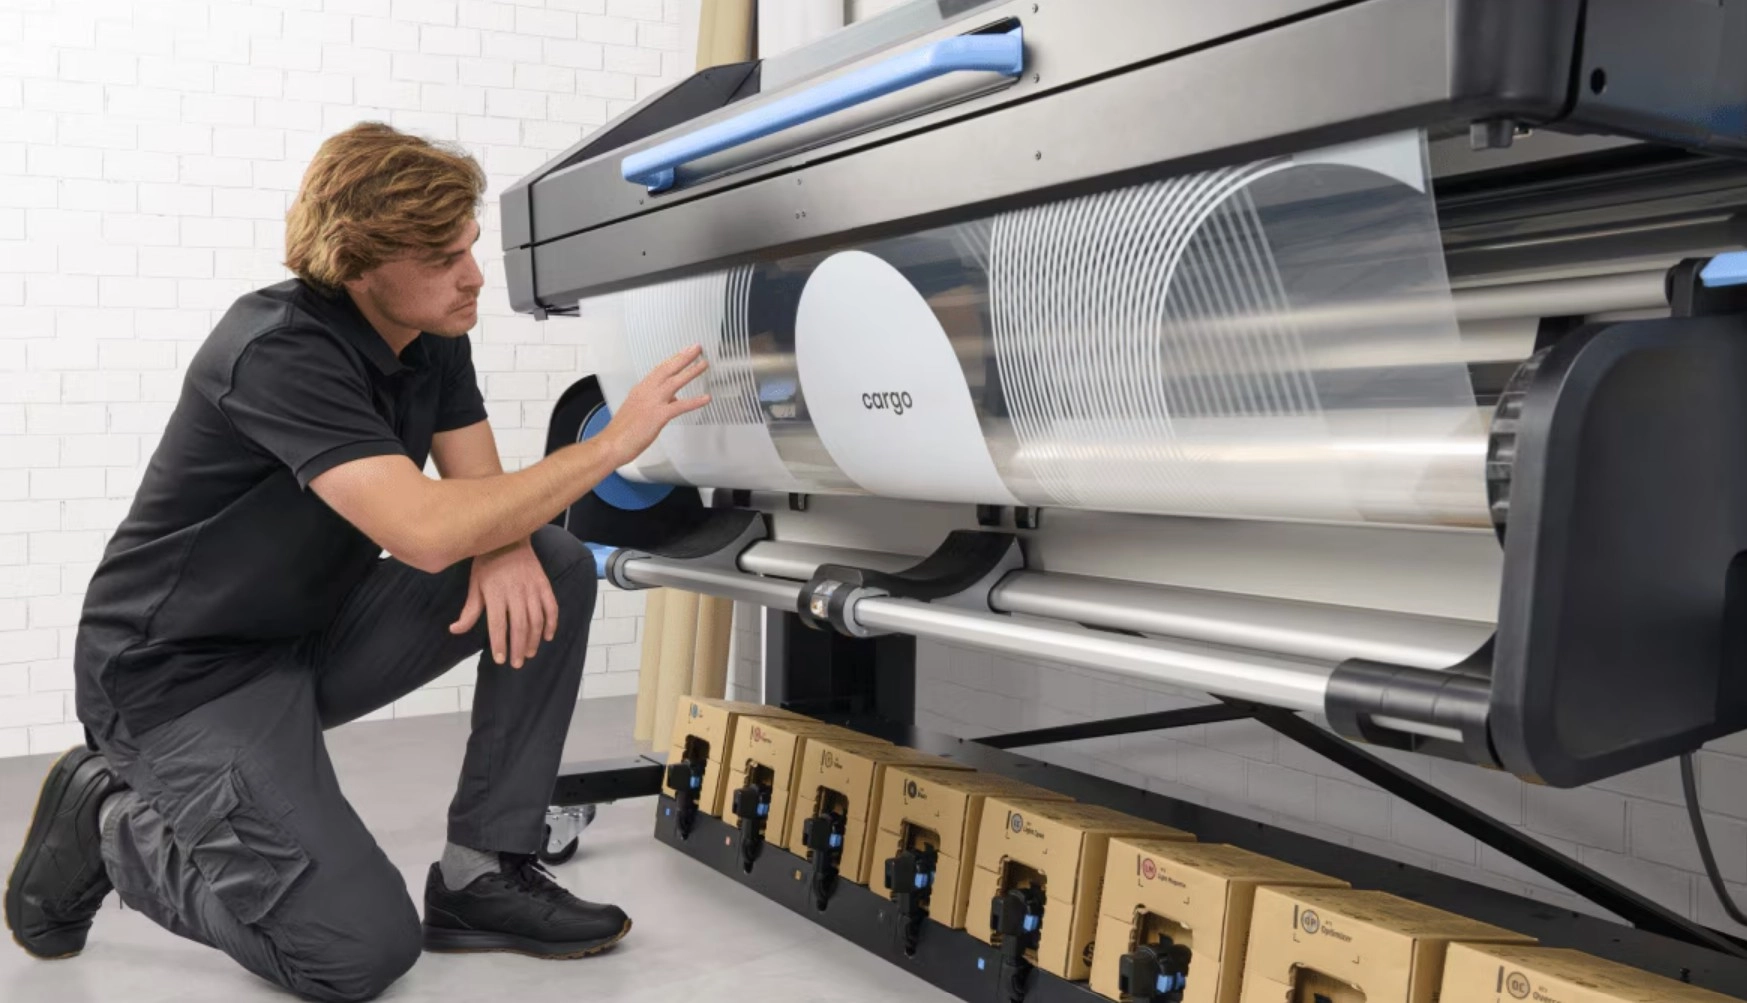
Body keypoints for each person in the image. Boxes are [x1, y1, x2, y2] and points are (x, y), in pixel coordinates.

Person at [4, 122, 710, 1002]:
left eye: (469, 247)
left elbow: (480, 493)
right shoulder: (278, 349)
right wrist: (616, 441)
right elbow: (422, 528)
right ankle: (111, 824)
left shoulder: (431, 331)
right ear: (358, 264)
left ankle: (482, 872)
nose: (474, 276)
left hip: (311, 633)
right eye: (442, 258)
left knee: (552, 560)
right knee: (356, 952)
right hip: (179, 679)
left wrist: (500, 540)